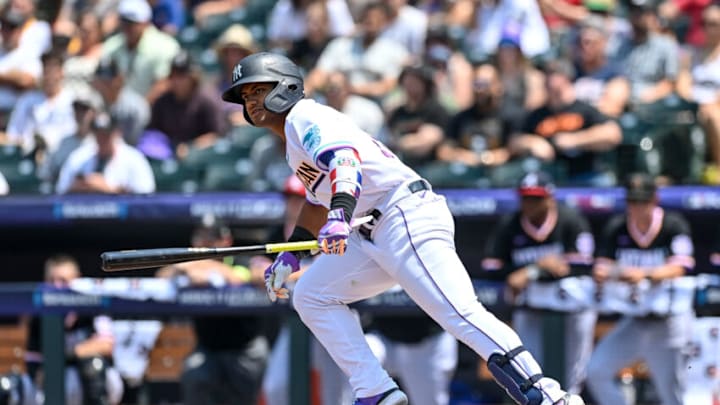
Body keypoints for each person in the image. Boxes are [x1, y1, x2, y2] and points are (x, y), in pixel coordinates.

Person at [220, 51, 584, 405]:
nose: (250, 101)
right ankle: (376, 391)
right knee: (312, 295)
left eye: (258, 89)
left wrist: (340, 215)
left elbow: (344, 161)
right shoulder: (292, 141)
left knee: (459, 313)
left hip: (402, 214)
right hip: (373, 231)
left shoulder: (304, 116)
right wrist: (293, 251)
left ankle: (551, 397)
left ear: (285, 86)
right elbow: (318, 199)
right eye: (245, 96)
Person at [585, 172, 695, 405]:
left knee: (673, 394)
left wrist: (644, 274)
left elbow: (680, 267)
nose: (637, 207)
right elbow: (600, 269)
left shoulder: (672, 224)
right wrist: (619, 272)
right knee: (596, 370)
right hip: (634, 321)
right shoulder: (617, 227)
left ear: (654, 199)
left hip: (669, 324)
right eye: (632, 201)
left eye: (642, 201)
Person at [482, 172, 597, 395]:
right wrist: (537, 268)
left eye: (535, 198)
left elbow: (583, 265)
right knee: (526, 371)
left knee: (574, 376)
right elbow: (491, 267)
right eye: (525, 198)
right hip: (529, 307)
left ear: (549, 199)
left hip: (573, 310)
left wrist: (531, 273)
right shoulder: (510, 225)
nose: (529, 204)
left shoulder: (570, 219)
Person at [155, 217, 270, 405]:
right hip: (208, 349)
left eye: (212, 238)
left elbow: (238, 278)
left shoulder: (240, 259)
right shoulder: (190, 265)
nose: (206, 243)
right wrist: (188, 266)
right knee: (194, 374)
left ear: (226, 241)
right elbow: (161, 276)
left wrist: (209, 269)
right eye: (201, 237)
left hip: (245, 349)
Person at [25, 254, 124, 405]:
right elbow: (36, 369)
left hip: (99, 380)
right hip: (55, 381)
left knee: (93, 366)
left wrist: (61, 356)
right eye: (53, 281)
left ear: (78, 280)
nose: (58, 286)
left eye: (64, 281)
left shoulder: (93, 305)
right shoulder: (39, 317)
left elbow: (106, 346)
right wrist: (84, 349)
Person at [55, 111, 156, 194]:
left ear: (117, 133)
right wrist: (77, 188)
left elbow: (146, 195)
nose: (102, 139)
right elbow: (60, 190)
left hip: (123, 218)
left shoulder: (134, 159)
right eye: (98, 134)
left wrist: (110, 190)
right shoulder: (79, 157)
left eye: (106, 135)